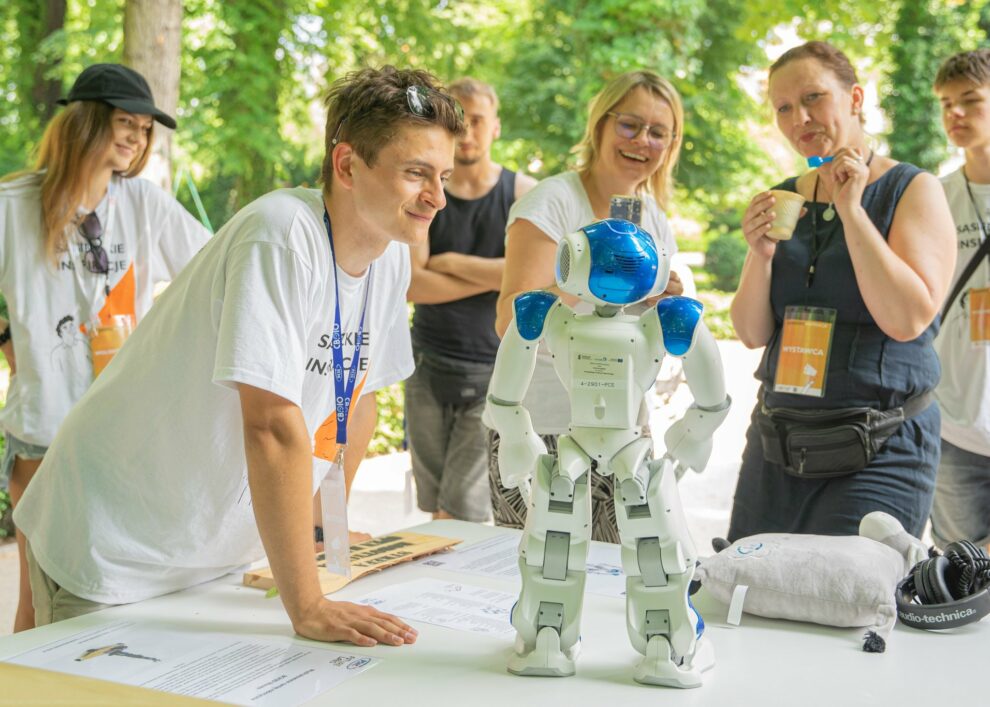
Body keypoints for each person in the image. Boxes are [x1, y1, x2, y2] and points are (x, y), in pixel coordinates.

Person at [14, 66, 464, 647]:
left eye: (443, 176)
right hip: (116, 541)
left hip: (209, 550)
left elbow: (360, 397)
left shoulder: (392, 255)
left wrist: (326, 530)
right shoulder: (280, 235)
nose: (437, 197)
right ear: (348, 165)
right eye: (416, 174)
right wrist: (308, 605)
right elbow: (271, 424)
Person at [0, 63, 210, 632]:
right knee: (39, 597)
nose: (135, 138)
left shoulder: (144, 203)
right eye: (123, 122)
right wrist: (7, 339)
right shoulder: (12, 205)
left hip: (118, 429)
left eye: (144, 129)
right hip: (44, 426)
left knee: (103, 598)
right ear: (85, 122)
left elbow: (214, 272)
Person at [728, 41, 956, 540]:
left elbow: (907, 318)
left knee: (844, 605)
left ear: (854, 98)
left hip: (880, 446)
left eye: (814, 97)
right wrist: (759, 254)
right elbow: (750, 332)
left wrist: (852, 210)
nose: (799, 118)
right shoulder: (785, 195)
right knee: (745, 594)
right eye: (783, 108)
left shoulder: (911, 189)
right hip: (777, 443)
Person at [493, 70, 685, 543]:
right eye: (629, 125)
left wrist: (663, 304)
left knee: (625, 578)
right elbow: (510, 316)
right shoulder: (553, 202)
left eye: (658, 132)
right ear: (600, 124)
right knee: (542, 573)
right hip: (543, 431)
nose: (643, 140)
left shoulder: (653, 219)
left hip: (624, 428)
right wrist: (606, 282)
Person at [405, 77, 536, 523]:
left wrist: (451, 261)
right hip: (426, 366)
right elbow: (413, 285)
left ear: (495, 127)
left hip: (493, 373)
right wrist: (500, 274)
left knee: (459, 509)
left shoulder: (524, 195)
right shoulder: (425, 193)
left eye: (477, 120)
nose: (468, 131)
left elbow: (536, 280)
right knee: (435, 506)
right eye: (459, 121)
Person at [931, 50, 990, 554]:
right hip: (954, 424)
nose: (956, 114)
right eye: (947, 104)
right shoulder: (936, 197)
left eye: (971, 101)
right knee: (956, 575)